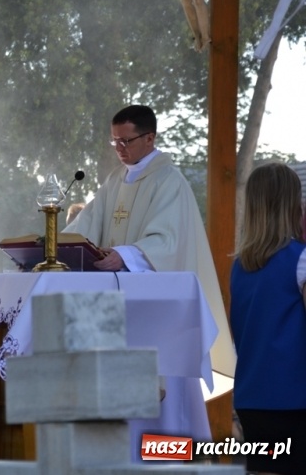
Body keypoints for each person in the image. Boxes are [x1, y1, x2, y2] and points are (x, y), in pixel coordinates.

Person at [63, 104, 235, 451]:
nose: (120, 149)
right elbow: (86, 227)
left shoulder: (169, 181)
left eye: (126, 141)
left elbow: (168, 242)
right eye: (115, 143)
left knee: (166, 417)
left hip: (159, 320)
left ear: (150, 137)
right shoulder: (114, 181)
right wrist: (54, 245)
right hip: (117, 311)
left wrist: (124, 254)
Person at [230, 162, 306, 475]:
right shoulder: (300, 259)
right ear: (293, 204)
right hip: (295, 397)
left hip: (251, 396)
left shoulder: (239, 266)